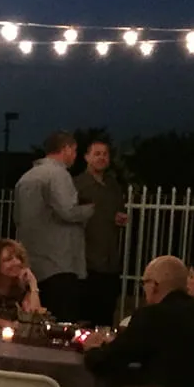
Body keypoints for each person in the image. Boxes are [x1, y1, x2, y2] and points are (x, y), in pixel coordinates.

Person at [82, 255, 194, 387]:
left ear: (154, 286)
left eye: (144, 283)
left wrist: (92, 349)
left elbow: (107, 361)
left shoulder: (152, 316)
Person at [13, 130, 93, 323]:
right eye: (73, 150)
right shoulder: (58, 175)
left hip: (33, 262)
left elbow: (18, 218)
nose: (75, 155)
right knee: (62, 322)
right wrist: (90, 210)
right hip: (60, 263)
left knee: (35, 323)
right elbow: (68, 210)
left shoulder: (26, 178)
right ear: (65, 149)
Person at [74, 136, 127, 327]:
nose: (101, 158)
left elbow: (120, 213)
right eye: (97, 154)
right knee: (84, 318)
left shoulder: (113, 185)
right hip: (87, 262)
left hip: (110, 262)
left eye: (105, 154)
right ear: (87, 157)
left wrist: (121, 218)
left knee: (106, 318)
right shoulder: (77, 185)